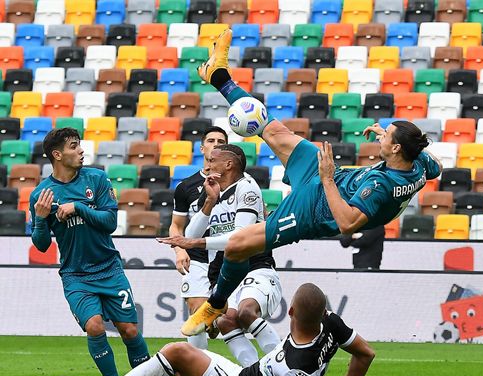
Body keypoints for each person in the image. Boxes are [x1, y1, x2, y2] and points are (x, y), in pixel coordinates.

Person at [157, 29, 443, 338]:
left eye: (386, 135)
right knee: (272, 128)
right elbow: (436, 166)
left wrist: (327, 178)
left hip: (313, 209)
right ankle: (219, 75)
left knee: (238, 245)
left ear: (397, 148)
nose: (379, 133)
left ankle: (214, 303)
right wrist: (394, 137)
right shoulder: (417, 164)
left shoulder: (381, 185)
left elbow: (347, 223)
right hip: (328, 175)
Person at [59, 283, 376, 376]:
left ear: (290, 309)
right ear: (324, 313)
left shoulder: (299, 367)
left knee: (177, 353)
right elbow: (365, 353)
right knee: (184, 358)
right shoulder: (332, 324)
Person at [29, 128, 173, 376]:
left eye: (79, 144)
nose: (81, 150)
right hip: (76, 275)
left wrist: (78, 207)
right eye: (73, 146)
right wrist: (42, 220)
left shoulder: (96, 178)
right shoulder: (41, 194)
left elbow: (109, 222)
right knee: (94, 326)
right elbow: (42, 245)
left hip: (109, 269)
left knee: (130, 330)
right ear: (57, 155)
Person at [169, 143, 283, 367]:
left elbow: (239, 238)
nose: (208, 164)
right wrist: (210, 201)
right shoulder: (210, 189)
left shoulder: (247, 187)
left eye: (212, 161)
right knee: (225, 321)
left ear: (228, 164)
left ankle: (282, 366)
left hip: (255, 264)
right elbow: (191, 234)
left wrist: (196, 242)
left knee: (245, 312)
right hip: (222, 270)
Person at [170, 126, 228, 350]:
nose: (216, 144)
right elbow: (176, 226)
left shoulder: (239, 183)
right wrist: (179, 250)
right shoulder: (185, 187)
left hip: (226, 257)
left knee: (230, 317)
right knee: (196, 311)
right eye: (211, 140)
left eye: (221, 141)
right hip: (196, 258)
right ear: (202, 148)